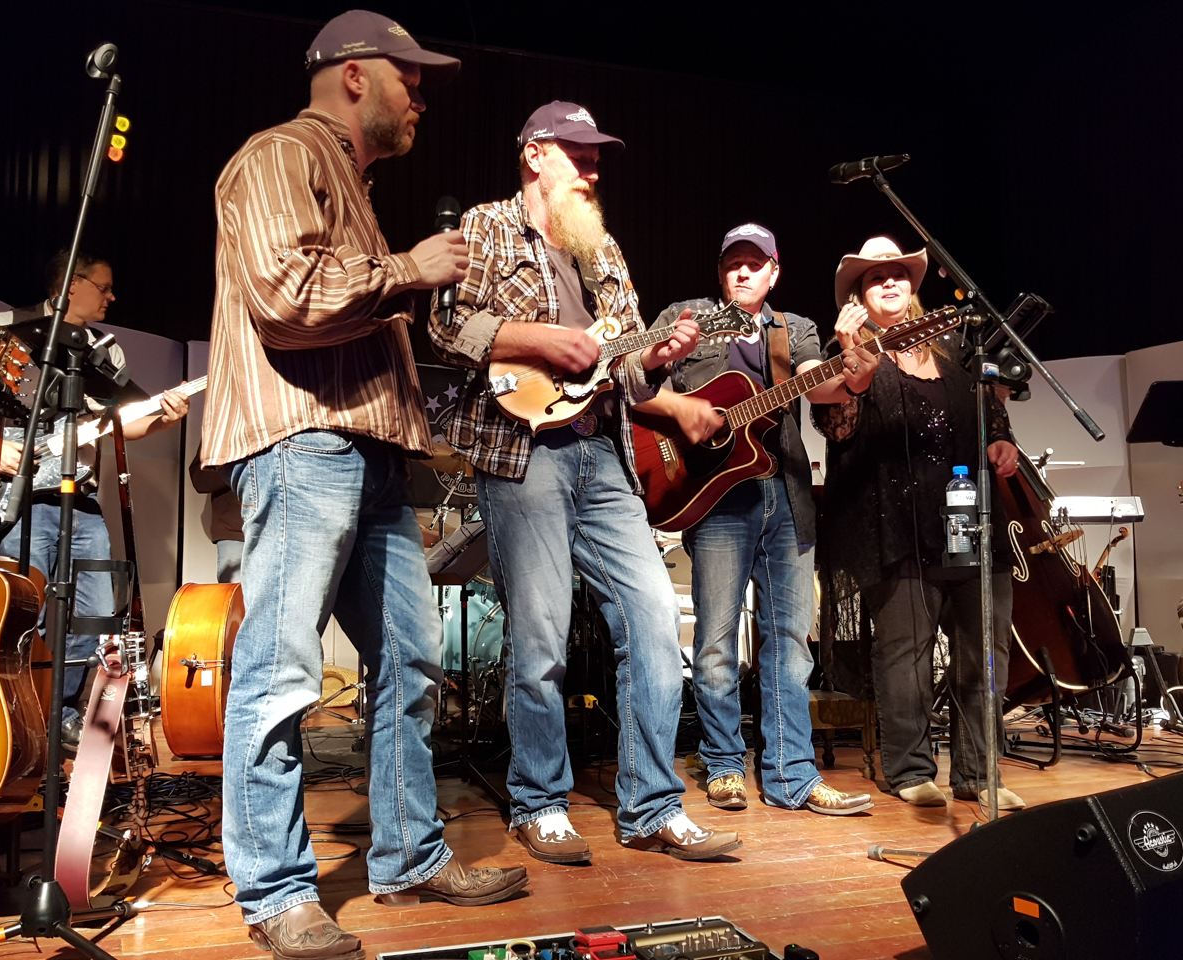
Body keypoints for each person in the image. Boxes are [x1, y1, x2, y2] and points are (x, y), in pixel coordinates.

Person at [199, 12, 527, 960]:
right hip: (304, 442)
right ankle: (274, 890)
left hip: (370, 454)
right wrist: (406, 271)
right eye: (407, 80)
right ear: (353, 75)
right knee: (280, 670)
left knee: (412, 664)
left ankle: (409, 855)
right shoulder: (279, 154)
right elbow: (285, 298)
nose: (419, 98)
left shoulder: (352, 186)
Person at [429, 101, 740, 865]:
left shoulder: (603, 252)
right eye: (580, 154)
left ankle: (652, 805)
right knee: (540, 637)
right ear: (535, 154)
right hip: (522, 450)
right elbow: (446, 325)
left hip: (603, 453)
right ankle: (539, 802)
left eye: (598, 157)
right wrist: (544, 340)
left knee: (654, 620)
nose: (593, 170)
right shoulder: (488, 227)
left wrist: (658, 357)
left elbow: (627, 373)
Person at [637, 224, 873, 816]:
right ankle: (723, 765)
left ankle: (792, 774)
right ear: (721, 272)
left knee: (790, 646)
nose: (742, 272)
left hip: (787, 497)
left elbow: (823, 388)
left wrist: (855, 367)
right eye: (732, 263)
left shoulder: (795, 330)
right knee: (715, 643)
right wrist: (682, 414)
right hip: (714, 498)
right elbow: (636, 387)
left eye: (754, 263)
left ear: (774, 271)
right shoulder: (686, 317)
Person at [0, 251, 189, 746]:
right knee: (14, 611)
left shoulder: (105, 350)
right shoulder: (4, 326)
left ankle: (61, 713)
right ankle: (7, 717)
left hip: (80, 499)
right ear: (72, 285)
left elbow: (121, 422)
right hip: (15, 498)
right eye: (103, 287)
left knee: (92, 613)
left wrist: (162, 416)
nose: (112, 297)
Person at [810, 236, 1024, 810]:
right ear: (858, 295)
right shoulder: (844, 350)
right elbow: (836, 427)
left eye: (898, 273)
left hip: (966, 515)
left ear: (913, 286)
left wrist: (1002, 441)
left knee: (986, 649)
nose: (889, 282)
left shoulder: (953, 344)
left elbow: (990, 409)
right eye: (874, 276)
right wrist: (853, 360)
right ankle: (910, 769)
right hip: (893, 525)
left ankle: (980, 772)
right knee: (906, 652)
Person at [189, 444, 242, 583]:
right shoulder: (222, 433)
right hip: (235, 534)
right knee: (234, 595)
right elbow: (199, 480)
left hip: (281, 530)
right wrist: (239, 465)